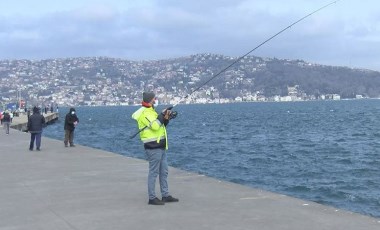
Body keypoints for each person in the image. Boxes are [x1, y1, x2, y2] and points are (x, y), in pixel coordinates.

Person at [132, 92, 178, 205]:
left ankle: (165, 195)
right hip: (153, 147)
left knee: (164, 171)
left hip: (161, 146)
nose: (155, 100)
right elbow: (155, 126)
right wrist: (162, 115)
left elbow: (161, 125)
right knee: (153, 172)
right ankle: (152, 198)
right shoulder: (144, 113)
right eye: (154, 99)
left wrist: (167, 118)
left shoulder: (152, 111)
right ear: (149, 100)